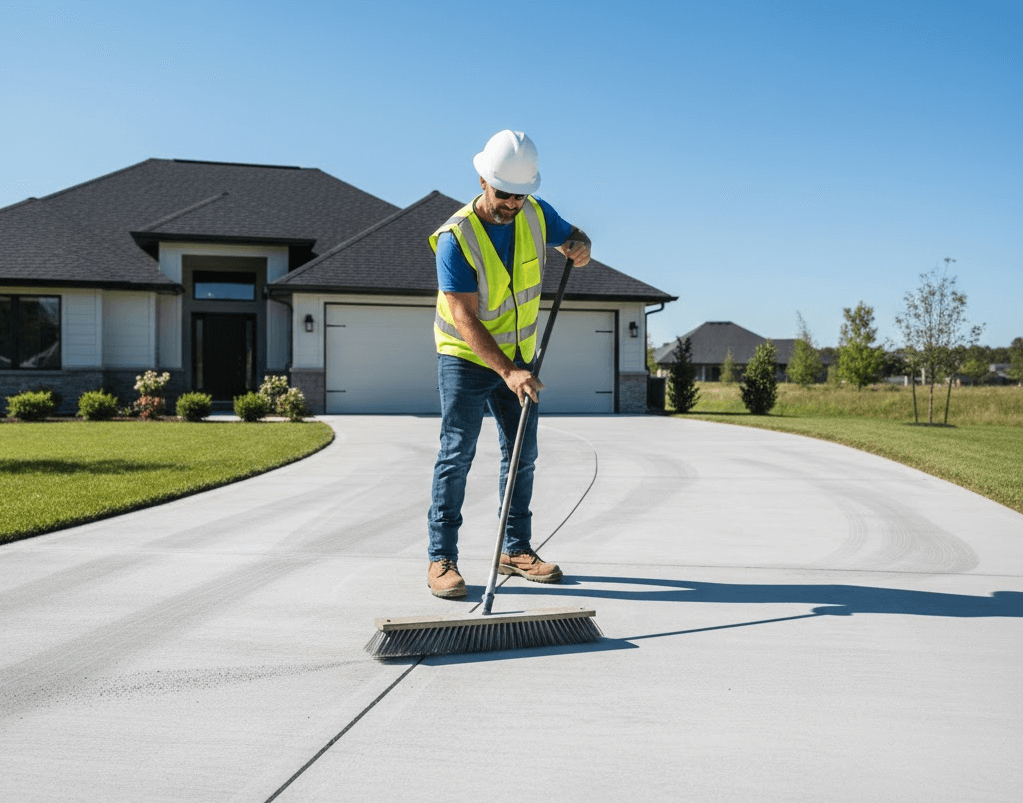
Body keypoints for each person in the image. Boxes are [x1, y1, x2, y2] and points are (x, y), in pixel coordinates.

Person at [425, 130, 592, 598]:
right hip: (465, 356)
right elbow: (462, 315)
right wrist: (508, 370)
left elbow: (574, 237)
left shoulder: (537, 214)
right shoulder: (456, 237)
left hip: (519, 356)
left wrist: (580, 246)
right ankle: (442, 560)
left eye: (521, 195)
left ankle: (515, 550)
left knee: (522, 454)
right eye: (504, 194)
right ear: (482, 180)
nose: (513, 204)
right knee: (456, 453)